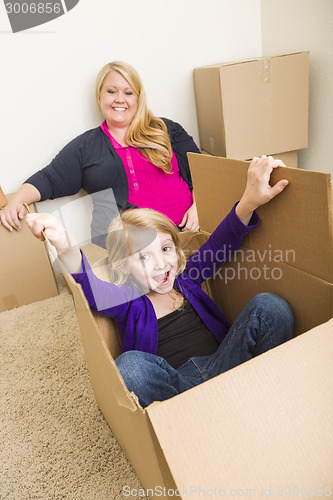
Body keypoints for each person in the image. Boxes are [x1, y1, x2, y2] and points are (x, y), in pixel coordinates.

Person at [26, 156, 294, 408]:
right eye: (144, 256)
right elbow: (92, 292)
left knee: (270, 305)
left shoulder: (186, 279)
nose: (161, 263)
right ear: (122, 265)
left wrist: (249, 201)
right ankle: (195, 418)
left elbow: (219, 245)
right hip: (178, 389)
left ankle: (257, 388)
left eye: (165, 249)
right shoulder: (127, 301)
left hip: (227, 365)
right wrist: (65, 245)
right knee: (128, 367)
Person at [0, 61, 201, 247]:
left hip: (186, 231)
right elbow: (49, 179)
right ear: (100, 96)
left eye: (128, 92)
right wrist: (17, 201)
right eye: (111, 91)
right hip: (130, 249)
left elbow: (204, 172)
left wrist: (200, 206)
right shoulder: (85, 147)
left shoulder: (166, 129)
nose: (119, 99)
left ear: (138, 98)